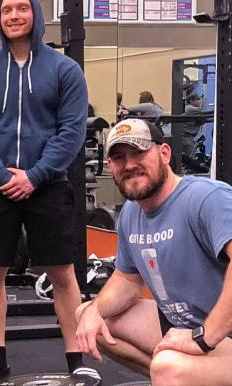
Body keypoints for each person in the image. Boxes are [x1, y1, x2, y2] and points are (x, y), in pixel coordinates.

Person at [0, 0, 94, 384]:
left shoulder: (64, 70)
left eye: (21, 9)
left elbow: (71, 131)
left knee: (63, 273)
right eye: (6, 11)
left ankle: (77, 358)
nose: (14, 16)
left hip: (47, 184)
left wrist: (34, 176)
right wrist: (2, 176)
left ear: (35, 13)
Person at [75, 118, 232, 384]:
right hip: (186, 326)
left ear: (164, 154)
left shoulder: (206, 198)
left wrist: (204, 337)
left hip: (220, 333)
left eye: (138, 152)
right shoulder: (131, 214)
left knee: (167, 367)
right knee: (88, 317)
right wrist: (94, 311)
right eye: (119, 158)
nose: (129, 165)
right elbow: (127, 280)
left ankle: (173, 374)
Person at [181, 92, 203, 159]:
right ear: (191, 101)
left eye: (200, 99)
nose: (200, 101)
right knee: (190, 157)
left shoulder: (189, 108)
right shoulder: (191, 109)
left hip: (187, 136)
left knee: (188, 155)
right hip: (185, 136)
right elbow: (205, 116)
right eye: (197, 99)